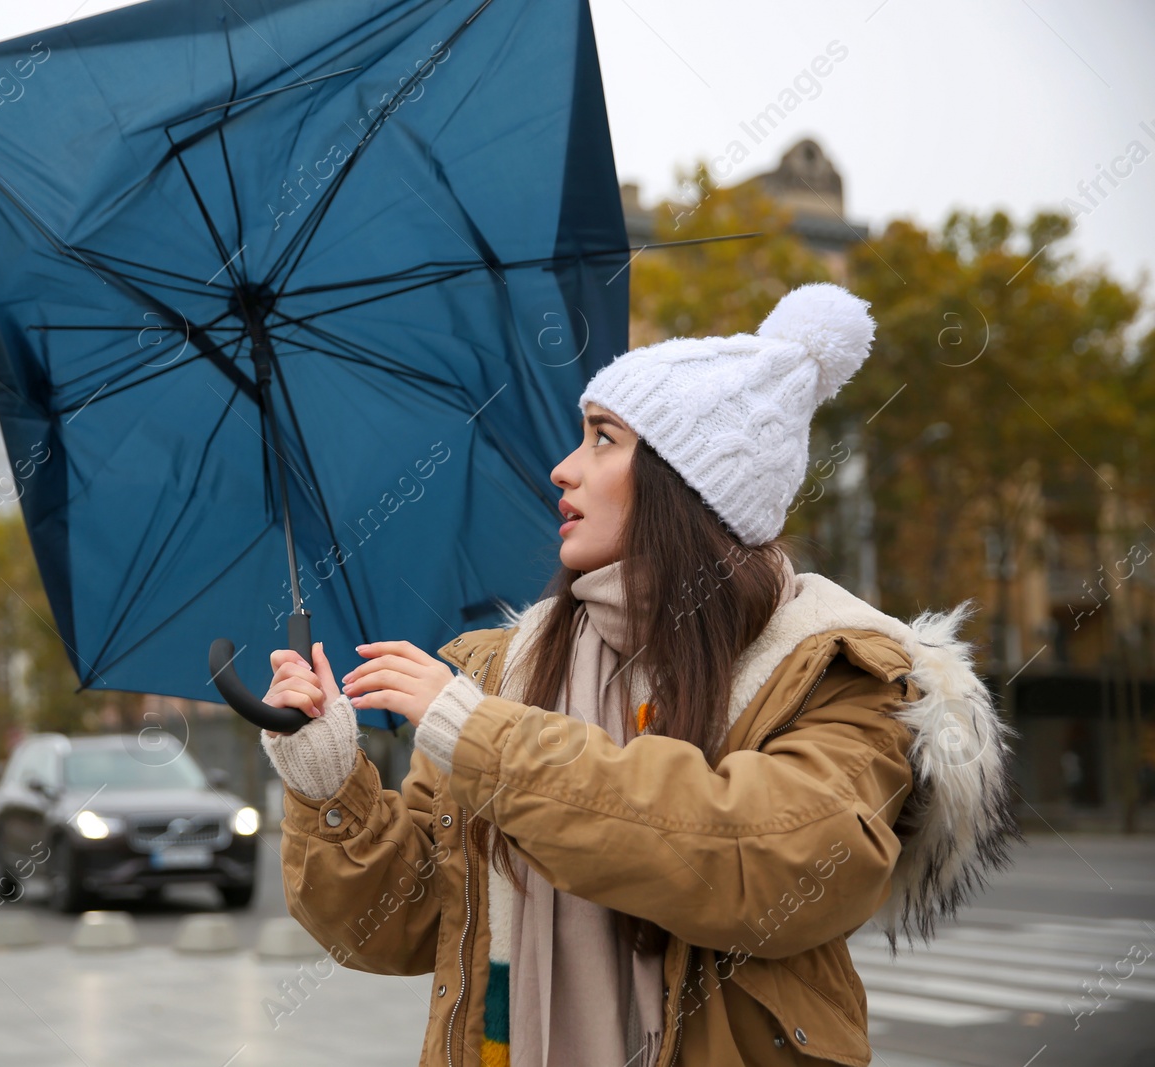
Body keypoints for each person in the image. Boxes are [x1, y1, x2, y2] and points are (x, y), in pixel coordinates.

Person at [258, 282, 1021, 1067]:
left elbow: (767, 868)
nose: (562, 468)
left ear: (686, 480)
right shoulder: (499, 670)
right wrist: (329, 787)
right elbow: (403, 923)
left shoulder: (831, 666)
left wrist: (485, 739)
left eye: (601, 438)